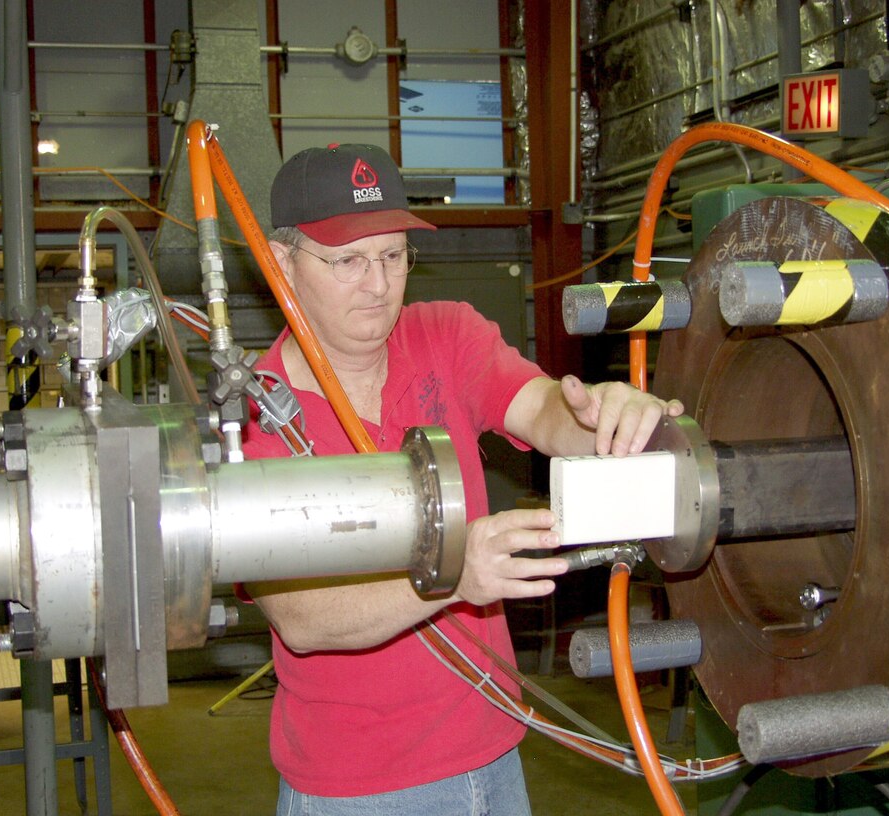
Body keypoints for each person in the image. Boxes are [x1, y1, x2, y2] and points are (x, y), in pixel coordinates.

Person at [242, 143, 683, 816]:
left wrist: (607, 418)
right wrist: (454, 575)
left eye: (393, 257)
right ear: (281, 264)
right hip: (358, 787)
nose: (379, 284)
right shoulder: (254, 417)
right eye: (348, 260)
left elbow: (540, 407)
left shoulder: (445, 335)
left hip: (495, 754)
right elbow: (302, 617)